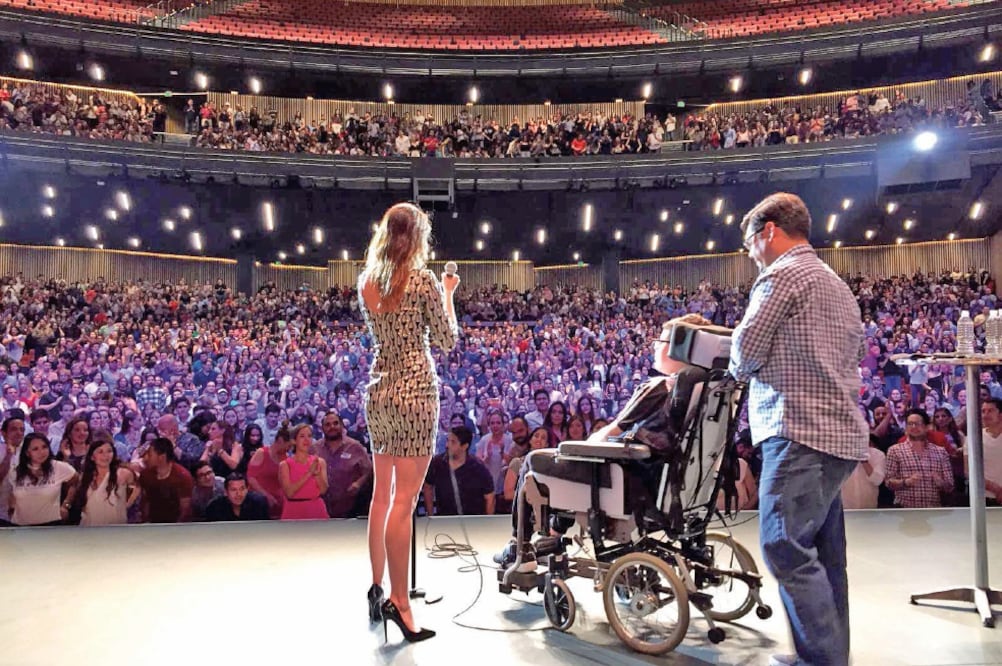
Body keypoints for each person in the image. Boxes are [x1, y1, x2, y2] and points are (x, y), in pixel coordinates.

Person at [730, 192, 869, 666]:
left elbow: (744, 353)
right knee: (826, 555)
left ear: (768, 230)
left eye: (749, 242)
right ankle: (829, 655)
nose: (750, 255)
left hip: (798, 431)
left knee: (783, 544)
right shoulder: (834, 282)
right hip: (840, 435)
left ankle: (819, 662)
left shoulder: (781, 275)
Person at [359, 201, 458, 642]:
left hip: (379, 391)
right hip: (416, 393)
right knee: (405, 503)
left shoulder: (366, 282)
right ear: (416, 237)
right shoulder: (421, 281)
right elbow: (447, 340)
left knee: (382, 497)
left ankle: (376, 586)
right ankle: (400, 602)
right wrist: (450, 293)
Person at [885, 409, 954, 507]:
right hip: (904, 510)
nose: (914, 427)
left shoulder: (940, 452)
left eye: (918, 424)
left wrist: (941, 483)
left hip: (934, 511)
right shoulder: (895, 450)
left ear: (926, 427)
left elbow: (950, 486)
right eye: (910, 424)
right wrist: (905, 482)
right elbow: (888, 482)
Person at [6, 433, 79, 526]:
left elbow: (76, 482)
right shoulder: (16, 471)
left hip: (51, 525)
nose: (42, 452)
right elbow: (12, 494)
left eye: (44, 447)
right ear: (27, 453)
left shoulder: (59, 467)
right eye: (35, 449)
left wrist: (66, 505)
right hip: (21, 526)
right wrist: (11, 510)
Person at [423, 425, 494, 516]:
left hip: (473, 520)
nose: (447, 445)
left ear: (464, 446)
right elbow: (428, 487)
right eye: (447, 440)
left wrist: (487, 522)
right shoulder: (437, 463)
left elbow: (489, 497)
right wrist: (430, 514)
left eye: (453, 442)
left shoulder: (478, 468)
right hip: (445, 520)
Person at [314, 411, 371, 519]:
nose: (332, 427)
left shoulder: (355, 446)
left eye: (335, 423)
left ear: (342, 426)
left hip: (350, 509)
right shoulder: (315, 448)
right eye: (328, 424)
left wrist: (358, 483)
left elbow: (369, 470)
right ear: (322, 428)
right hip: (321, 509)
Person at [77, 434, 139, 526]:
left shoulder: (122, 473)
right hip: (89, 527)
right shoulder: (86, 477)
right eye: (100, 452)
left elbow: (137, 487)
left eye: (109, 451)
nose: (105, 456)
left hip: (115, 528)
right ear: (92, 457)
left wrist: (126, 505)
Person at [278, 423, 329, 520]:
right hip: (293, 510)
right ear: (294, 441)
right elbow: (289, 492)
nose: (306, 440)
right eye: (302, 436)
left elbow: (323, 490)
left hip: (316, 510)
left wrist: (317, 474)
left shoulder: (319, 462)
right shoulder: (285, 465)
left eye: (309, 436)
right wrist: (309, 473)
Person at [138, 437, 194, 523]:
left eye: (150, 455)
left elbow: (185, 509)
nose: (145, 458)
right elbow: (145, 502)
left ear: (162, 457)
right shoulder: (146, 475)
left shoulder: (183, 477)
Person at [246, 422, 291, 518]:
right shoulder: (261, 453)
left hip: (278, 502)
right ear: (280, 440)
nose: (289, 449)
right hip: (259, 500)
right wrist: (266, 496)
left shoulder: (286, 458)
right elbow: (251, 478)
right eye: (288, 445)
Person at [840, 435, 886, 510]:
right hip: (844, 509)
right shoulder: (838, 455)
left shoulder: (878, 455)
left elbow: (877, 481)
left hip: (868, 509)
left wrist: (864, 461)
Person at [205, 473, 270, 521]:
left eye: (242, 489)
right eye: (233, 490)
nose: (238, 494)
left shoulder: (259, 503)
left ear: (247, 489)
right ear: (226, 492)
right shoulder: (214, 507)